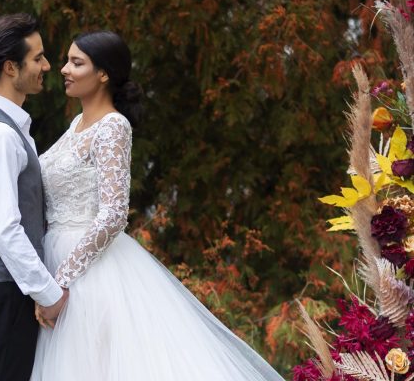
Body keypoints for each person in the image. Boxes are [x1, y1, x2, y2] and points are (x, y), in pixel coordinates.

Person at [31, 30, 284, 380]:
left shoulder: (113, 126)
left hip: (87, 270)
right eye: (67, 61)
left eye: (77, 63)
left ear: (103, 74)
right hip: (58, 255)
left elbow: (114, 213)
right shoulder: (77, 123)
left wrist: (60, 281)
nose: (63, 69)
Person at [0, 13, 68, 381]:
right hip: (1, 292)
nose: (47, 66)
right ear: (10, 67)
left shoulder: (3, 126)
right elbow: (4, 228)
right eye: (37, 58)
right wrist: (48, 293)